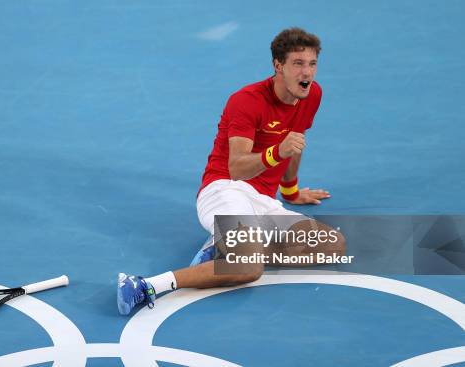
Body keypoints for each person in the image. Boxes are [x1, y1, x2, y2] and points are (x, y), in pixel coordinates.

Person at [117, 27, 346, 316]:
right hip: (225, 188)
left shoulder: (312, 95)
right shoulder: (247, 100)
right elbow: (237, 168)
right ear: (278, 66)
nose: (307, 73)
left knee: (331, 244)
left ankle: (227, 249)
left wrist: (291, 191)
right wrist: (277, 152)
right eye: (298, 64)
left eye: (312, 64)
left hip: (264, 201)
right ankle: (146, 285)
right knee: (249, 268)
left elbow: (295, 141)